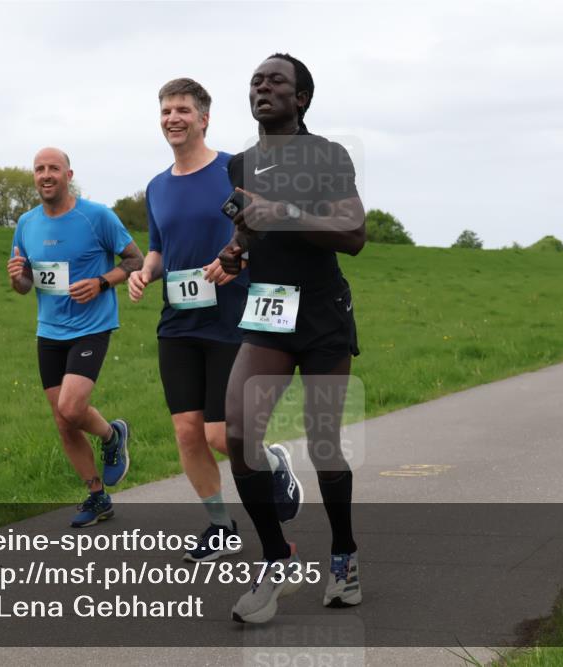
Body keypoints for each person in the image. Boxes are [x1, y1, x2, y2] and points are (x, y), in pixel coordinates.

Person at [217, 53, 366, 623]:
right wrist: (237, 249)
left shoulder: (328, 155)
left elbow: (353, 234)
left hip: (324, 313)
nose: (262, 87)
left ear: (300, 97)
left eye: (276, 80)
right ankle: (276, 560)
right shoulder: (240, 164)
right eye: (256, 80)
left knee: (322, 439)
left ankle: (345, 555)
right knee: (237, 429)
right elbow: (248, 229)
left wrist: (281, 212)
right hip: (269, 311)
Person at [127, 78, 248, 562]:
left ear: (204, 118)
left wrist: (237, 258)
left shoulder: (232, 172)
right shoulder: (157, 187)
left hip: (230, 316)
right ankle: (221, 527)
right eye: (165, 111)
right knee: (186, 430)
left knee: (220, 434)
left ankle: (272, 464)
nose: (172, 118)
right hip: (177, 321)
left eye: (182, 110)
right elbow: (157, 249)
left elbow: (261, 234)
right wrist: (143, 273)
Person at [7, 147, 143, 528]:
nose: (45, 175)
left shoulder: (96, 215)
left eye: (53, 168)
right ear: (34, 177)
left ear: (69, 175)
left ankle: (112, 435)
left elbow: (135, 259)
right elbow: (25, 284)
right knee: (64, 421)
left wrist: (102, 282)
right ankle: (97, 496)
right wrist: (17, 277)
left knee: (71, 407)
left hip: (92, 327)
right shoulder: (26, 223)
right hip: (49, 331)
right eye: (39, 169)